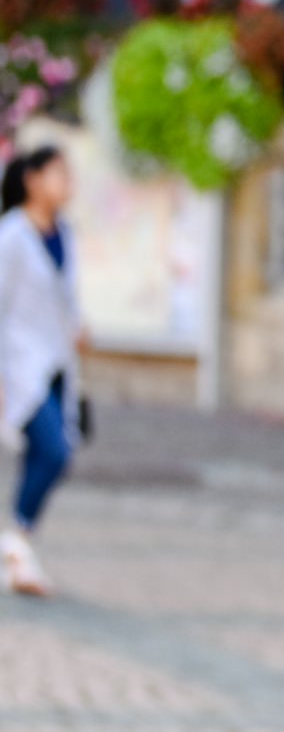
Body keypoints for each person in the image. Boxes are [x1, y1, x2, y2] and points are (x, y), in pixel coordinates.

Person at [0, 145, 86, 597]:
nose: (67, 181)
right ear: (32, 179)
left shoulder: (64, 233)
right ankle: (16, 539)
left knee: (51, 453)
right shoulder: (11, 236)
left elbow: (67, 294)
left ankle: (19, 549)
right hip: (19, 365)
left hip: (56, 364)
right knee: (52, 450)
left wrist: (78, 325)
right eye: (59, 173)